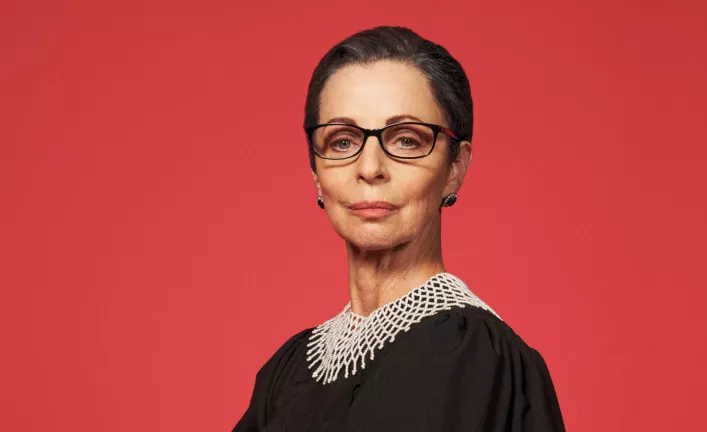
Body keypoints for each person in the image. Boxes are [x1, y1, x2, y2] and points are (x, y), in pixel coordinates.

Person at [232, 25, 566, 431]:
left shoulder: (477, 357)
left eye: (405, 139)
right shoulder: (287, 371)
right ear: (315, 171)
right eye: (342, 141)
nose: (370, 168)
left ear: (455, 168)